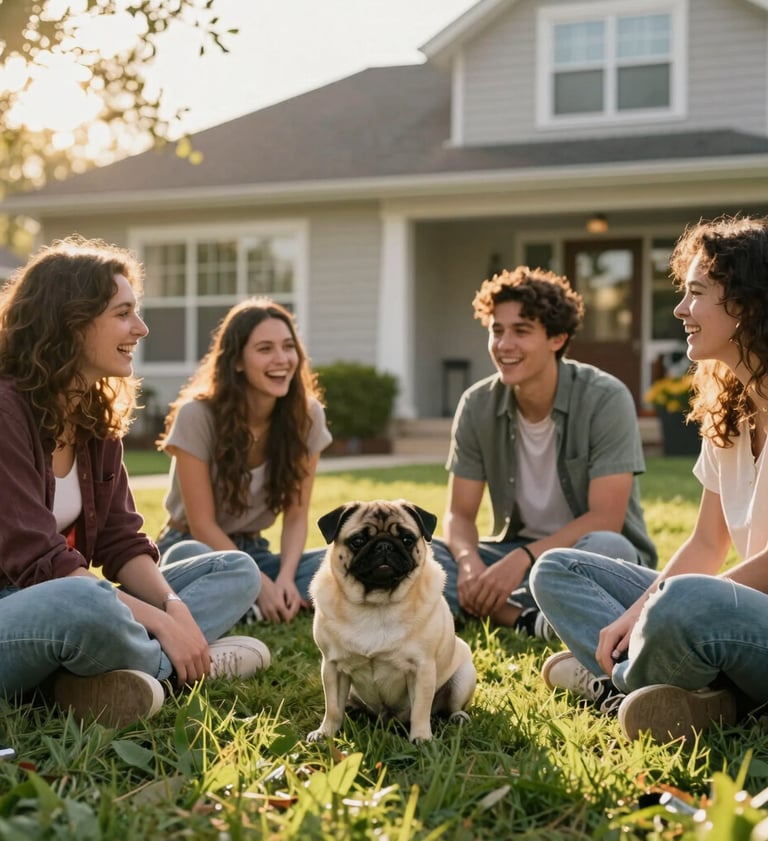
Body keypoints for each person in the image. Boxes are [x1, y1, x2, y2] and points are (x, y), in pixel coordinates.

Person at [0, 236, 269, 729]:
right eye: (123, 313)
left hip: (72, 600)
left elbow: (122, 541)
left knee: (237, 569)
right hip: (21, 610)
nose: (140, 329)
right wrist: (166, 625)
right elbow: (39, 564)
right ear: (72, 322)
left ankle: (96, 679)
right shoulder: (5, 411)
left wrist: (172, 607)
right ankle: (185, 666)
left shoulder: (92, 416)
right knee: (83, 600)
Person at [531, 214, 768, 742]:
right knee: (557, 569)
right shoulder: (728, 411)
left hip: (756, 626)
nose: (681, 309)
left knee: (686, 599)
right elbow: (708, 541)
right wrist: (643, 610)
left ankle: (616, 685)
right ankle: (696, 697)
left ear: (747, 303)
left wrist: (660, 610)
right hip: (727, 613)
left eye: (696, 293)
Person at [431, 265, 656, 637]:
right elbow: (459, 514)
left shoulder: (606, 397)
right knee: (428, 555)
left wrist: (523, 559)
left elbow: (606, 518)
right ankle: (529, 618)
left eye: (521, 331)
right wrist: (470, 563)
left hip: (586, 553)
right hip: (512, 552)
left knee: (608, 545)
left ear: (557, 338)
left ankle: (491, 608)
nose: (504, 345)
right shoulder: (477, 404)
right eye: (497, 331)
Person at [156, 298, 332, 624]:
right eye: (265, 349)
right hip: (195, 547)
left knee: (337, 564)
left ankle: (250, 603)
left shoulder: (308, 416)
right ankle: (243, 602)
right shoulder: (197, 415)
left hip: (255, 551)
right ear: (237, 361)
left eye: (288, 347)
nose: (281, 359)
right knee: (203, 564)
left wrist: (283, 579)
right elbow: (202, 524)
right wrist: (259, 583)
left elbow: (296, 516)